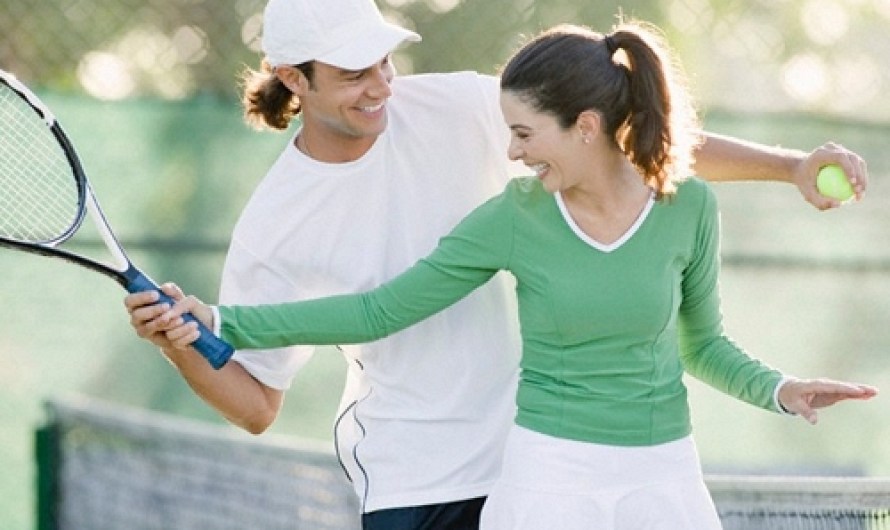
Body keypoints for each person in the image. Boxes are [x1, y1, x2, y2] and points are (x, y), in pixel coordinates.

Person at [125, 1, 870, 528]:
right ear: (294, 78)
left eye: (383, 60)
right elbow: (258, 404)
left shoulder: (455, 105)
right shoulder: (275, 222)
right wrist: (188, 336)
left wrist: (792, 165)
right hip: (416, 477)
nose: (381, 85)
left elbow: (621, 138)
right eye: (354, 72)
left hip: (535, 455)